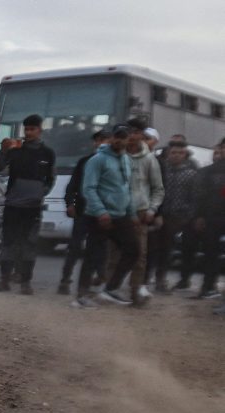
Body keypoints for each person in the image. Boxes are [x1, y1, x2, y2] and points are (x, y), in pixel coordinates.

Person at [72, 124, 138, 308]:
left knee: (133, 250)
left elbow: (126, 189)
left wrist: (132, 213)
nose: (119, 140)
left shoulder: (126, 160)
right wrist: (101, 212)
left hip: (120, 215)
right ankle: (82, 295)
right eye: (117, 136)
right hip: (97, 216)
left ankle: (111, 288)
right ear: (112, 138)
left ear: (128, 140)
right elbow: (88, 188)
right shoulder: (98, 160)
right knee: (92, 255)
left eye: (123, 137)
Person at [0, 114, 56, 294]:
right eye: (26, 129)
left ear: (39, 130)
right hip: (13, 205)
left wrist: (40, 193)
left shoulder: (47, 153)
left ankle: (26, 283)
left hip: (33, 208)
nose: (28, 132)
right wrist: (3, 150)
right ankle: (4, 281)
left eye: (32, 129)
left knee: (29, 245)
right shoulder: (15, 150)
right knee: (9, 243)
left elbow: (51, 179)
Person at [104, 117, 164, 306]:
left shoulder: (149, 159)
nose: (132, 136)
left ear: (142, 135)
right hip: (117, 211)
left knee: (139, 255)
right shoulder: (115, 156)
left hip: (140, 213)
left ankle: (135, 291)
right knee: (114, 253)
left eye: (136, 133)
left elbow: (158, 189)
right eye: (129, 132)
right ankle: (110, 289)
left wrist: (152, 210)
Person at [57, 130, 111, 294]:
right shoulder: (85, 162)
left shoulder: (114, 163)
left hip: (103, 212)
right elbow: (73, 185)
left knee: (100, 248)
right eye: (98, 140)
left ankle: (98, 277)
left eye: (105, 140)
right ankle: (65, 280)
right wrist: (69, 203)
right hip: (83, 210)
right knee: (75, 246)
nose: (101, 143)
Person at [151, 140, 198, 292]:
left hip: (177, 217)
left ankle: (161, 280)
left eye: (180, 153)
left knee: (168, 250)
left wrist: (187, 216)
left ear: (185, 154)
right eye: (173, 152)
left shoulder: (191, 174)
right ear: (168, 153)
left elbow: (194, 198)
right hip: (158, 215)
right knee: (153, 248)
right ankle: (147, 280)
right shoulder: (161, 172)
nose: (176, 155)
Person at [194, 139, 225, 301]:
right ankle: (208, 287)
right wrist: (200, 216)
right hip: (212, 217)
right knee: (210, 253)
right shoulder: (209, 171)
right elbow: (201, 195)